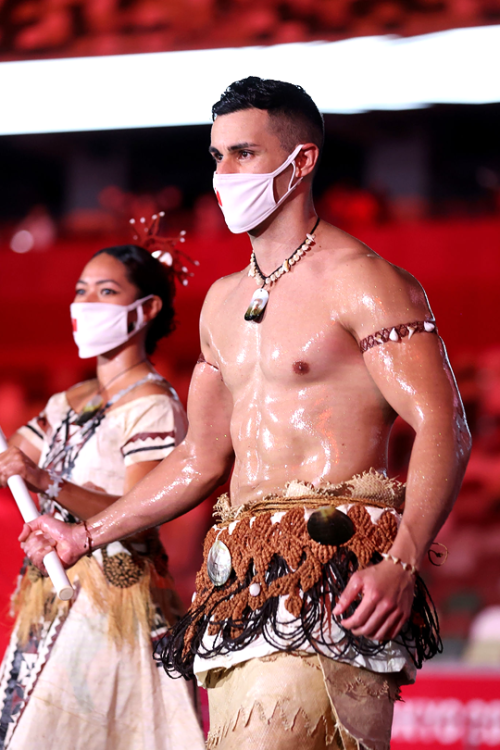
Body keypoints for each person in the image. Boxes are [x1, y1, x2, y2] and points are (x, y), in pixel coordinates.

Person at [20, 77, 471, 750]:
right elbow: (201, 458)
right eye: (216, 157)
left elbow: (445, 425)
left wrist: (403, 562)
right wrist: (85, 536)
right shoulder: (222, 304)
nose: (224, 174)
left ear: (302, 161)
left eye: (243, 155)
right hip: (239, 582)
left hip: (339, 569)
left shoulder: (367, 280)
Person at [0, 243, 205, 750]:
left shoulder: (154, 405)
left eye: (106, 292)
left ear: (148, 309)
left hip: (114, 611)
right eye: (80, 292)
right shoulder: (70, 399)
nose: (87, 303)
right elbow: (12, 461)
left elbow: (141, 513)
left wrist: (44, 480)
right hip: (50, 604)